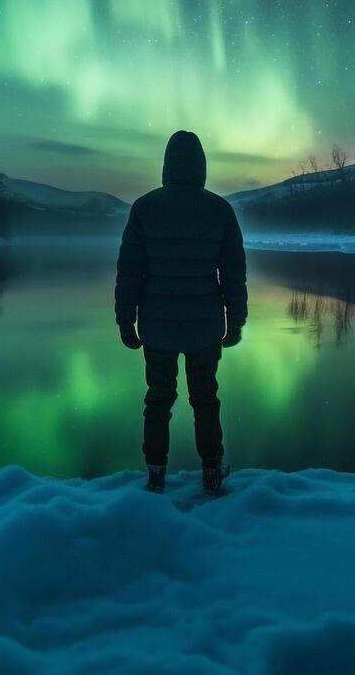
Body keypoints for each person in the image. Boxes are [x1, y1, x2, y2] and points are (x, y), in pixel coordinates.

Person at [114, 130, 247, 496]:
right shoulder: (219, 210)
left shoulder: (144, 207)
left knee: (158, 400)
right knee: (205, 399)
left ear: (167, 165)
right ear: (201, 166)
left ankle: (156, 473)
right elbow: (233, 272)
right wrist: (235, 320)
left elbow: (129, 271)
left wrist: (125, 319)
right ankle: (211, 471)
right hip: (205, 326)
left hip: (157, 326)